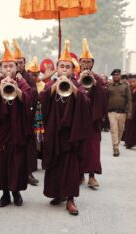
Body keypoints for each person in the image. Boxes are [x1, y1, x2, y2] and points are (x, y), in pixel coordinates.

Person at [40, 40, 92, 215]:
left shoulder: (77, 86)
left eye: (67, 67)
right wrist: (55, 87)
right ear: (57, 68)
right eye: (61, 66)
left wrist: (73, 90)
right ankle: (57, 194)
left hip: (71, 135)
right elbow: (42, 99)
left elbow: (86, 102)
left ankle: (70, 199)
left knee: (70, 168)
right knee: (55, 165)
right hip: (55, 134)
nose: (64, 69)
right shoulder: (51, 86)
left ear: (73, 70)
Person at [0, 40, 32, 207]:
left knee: (16, 161)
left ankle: (16, 192)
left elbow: (29, 99)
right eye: (6, 66)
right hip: (0, 131)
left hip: (16, 130)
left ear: (17, 67)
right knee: (1, 161)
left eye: (12, 66)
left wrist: (17, 91)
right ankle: (4, 194)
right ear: (1, 68)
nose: (9, 69)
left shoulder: (22, 83)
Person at [78, 38, 106, 188]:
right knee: (79, 147)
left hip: (92, 120)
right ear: (79, 63)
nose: (86, 65)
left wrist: (96, 86)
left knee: (93, 148)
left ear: (92, 64)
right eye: (83, 62)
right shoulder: (74, 78)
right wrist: (79, 82)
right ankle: (80, 174)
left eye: (89, 62)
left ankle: (92, 176)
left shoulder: (97, 79)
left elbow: (104, 95)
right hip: (78, 119)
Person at [13, 39, 39, 186]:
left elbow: (35, 95)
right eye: (15, 62)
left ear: (24, 63)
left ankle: (28, 173)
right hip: (12, 118)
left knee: (28, 147)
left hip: (26, 117)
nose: (18, 65)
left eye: (20, 62)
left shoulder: (28, 78)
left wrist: (23, 86)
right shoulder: (7, 77)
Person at [107, 69, 132, 156]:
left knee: (120, 130)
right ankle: (115, 148)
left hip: (122, 112)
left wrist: (129, 111)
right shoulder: (109, 86)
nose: (116, 76)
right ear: (112, 76)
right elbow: (105, 99)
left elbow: (129, 99)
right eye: (114, 75)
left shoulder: (125, 86)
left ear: (120, 76)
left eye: (118, 74)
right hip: (111, 112)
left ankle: (116, 145)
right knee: (114, 130)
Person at [26, 56, 45, 159]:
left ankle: (38, 154)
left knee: (39, 136)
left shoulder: (43, 85)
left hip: (39, 114)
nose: (34, 77)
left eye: (36, 75)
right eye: (32, 75)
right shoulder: (25, 84)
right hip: (28, 113)